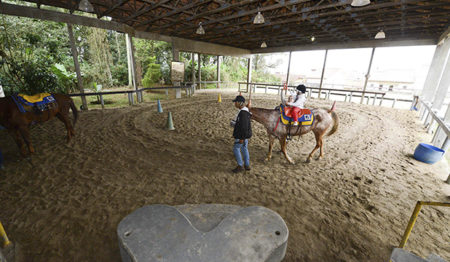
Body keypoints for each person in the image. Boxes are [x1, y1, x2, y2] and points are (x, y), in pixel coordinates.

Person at [230, 95, 252, 173]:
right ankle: (246, 164)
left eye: (235, 102)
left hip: (241, 135)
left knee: (236, 149)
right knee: (244, 148)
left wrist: (241, 138)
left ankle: (240, 165)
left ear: (240, 103)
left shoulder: (242, 113)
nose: (235, 104)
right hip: (244, 135)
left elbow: (243, 127)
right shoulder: (246, 111)